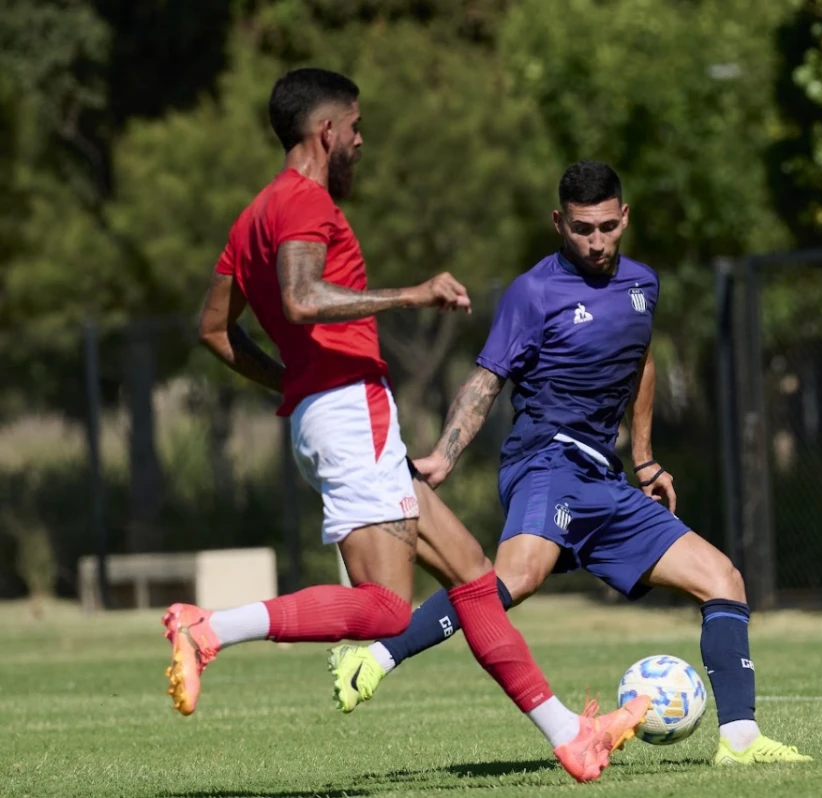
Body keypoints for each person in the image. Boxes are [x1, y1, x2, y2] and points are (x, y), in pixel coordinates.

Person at [164, 69, 648, 784]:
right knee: (388, 610)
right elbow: (299, 299)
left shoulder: (254, 214)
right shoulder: (302, 202)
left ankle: (572, 737)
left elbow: (213, 330)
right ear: (327, 133)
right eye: (355, 129)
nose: (361, 142)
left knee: (476, 579)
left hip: (332, 412)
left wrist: (293, 382)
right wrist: (411, 294)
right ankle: (207, 629)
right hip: (349, 413)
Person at [327, 160, 812, 767]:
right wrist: (444, 456)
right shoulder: (533, 293)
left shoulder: (642, 285)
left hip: (604, 477)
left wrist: (644, 460)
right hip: (545, 462)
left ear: (624, 216)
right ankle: (374, 656)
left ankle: (740, 742)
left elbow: (641, 360)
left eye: (608, 227)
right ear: (559, 222)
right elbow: (485, 382)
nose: (598, 242)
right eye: (583, 229)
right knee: (511, 581)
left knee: (724, 580)